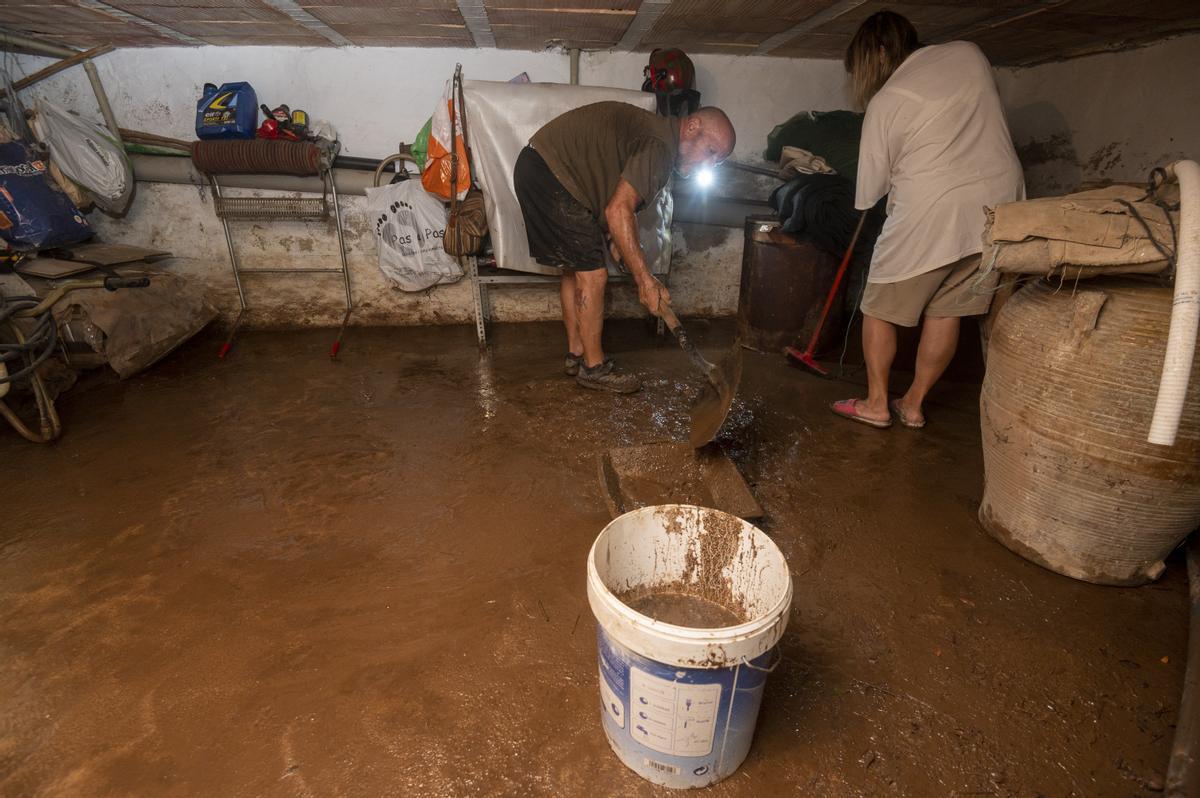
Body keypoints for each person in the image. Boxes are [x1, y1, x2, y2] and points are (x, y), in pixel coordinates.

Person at [831, 11, 1024, 429]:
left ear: (880, 51)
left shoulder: (886, 101)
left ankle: (877, 404)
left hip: (932, 208)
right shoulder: (969, 53)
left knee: (878, 307)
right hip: (997, 208)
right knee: (947, 309)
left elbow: (869, 193)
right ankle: (914, 404)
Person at [514, 102, 735, 393]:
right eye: (710, 152)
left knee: (577, 268)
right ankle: (594, 368)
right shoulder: (659, 147)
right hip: (551, 172)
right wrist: (645, 280)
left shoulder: (656, 137)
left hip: (540, 166)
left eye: (716, 162)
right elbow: (619, 210)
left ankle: (577, 353)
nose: (708, 165)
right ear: (692, 127)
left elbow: (610, 201)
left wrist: (619, 244)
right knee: (594, 274)